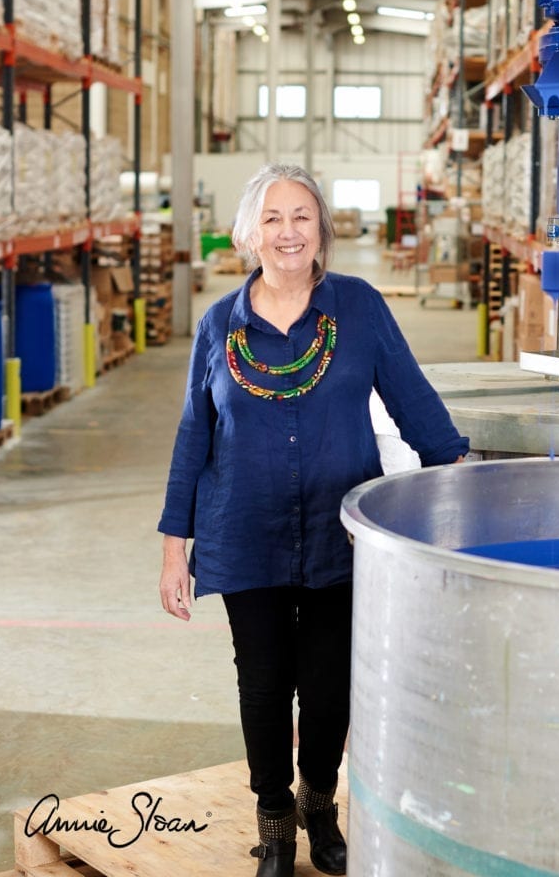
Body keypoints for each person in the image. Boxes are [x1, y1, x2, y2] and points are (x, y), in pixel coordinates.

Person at [157, 163, 469, 877]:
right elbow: (190, 438)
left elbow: (415, 403)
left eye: (302, 216)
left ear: (322, 231)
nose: (287, 231)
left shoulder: (357, 309)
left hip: (340, 534)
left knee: (328, 689)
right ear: (249, 234)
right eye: (272, 218)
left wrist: (457, 496)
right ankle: (274, 829)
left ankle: (319, 804)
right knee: (263, 685)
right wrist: (175, 547)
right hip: (244, 532)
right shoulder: (217, 326)